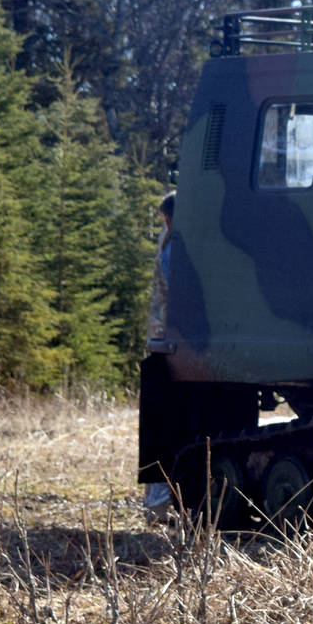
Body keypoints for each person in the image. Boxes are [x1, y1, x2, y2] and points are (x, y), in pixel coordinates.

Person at [144, 191, 176, 518]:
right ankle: (157, 497)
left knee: (161, 418)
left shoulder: (171, 243)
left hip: (162, 336)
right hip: (165, 336)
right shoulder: (173, 243)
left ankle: (158, 498)